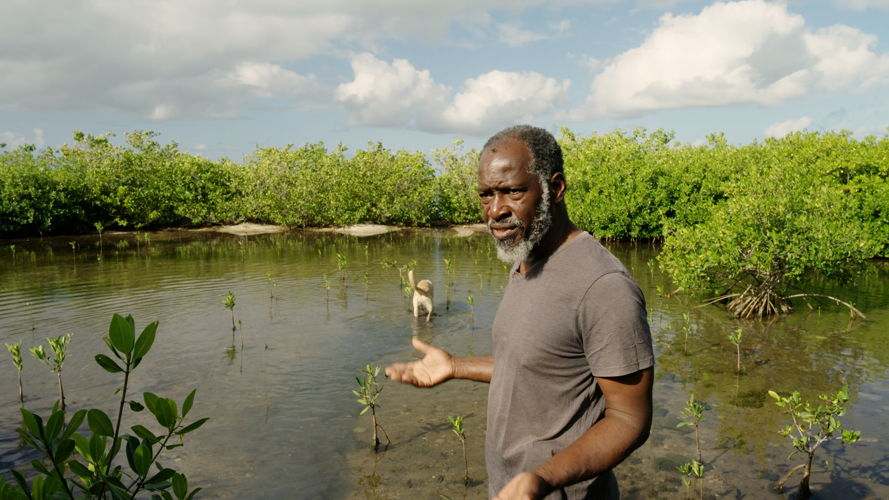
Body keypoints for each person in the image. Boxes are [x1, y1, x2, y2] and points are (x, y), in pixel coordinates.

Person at [385, 125, 654, 500]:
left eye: (512, 191)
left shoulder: (603, 286)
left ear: (555, 188)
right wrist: (455, 366)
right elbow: (538, 367)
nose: (495, 211)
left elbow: (629, 419)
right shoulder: (526, 259)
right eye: (486, 195)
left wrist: (542, 478)